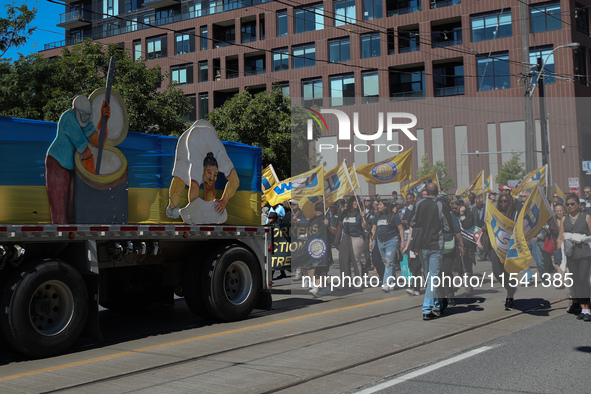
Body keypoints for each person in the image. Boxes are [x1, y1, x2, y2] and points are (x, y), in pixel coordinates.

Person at [46, 95, 111, 224]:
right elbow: (85, 151)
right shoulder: (68, 118)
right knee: (60, 210)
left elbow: (98, 142)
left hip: (72, 166)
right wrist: (93, 180)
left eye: (88, 115)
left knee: (73, 209)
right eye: (84, 115)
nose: (86, 118)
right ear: (75, 110)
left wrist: (104, 122)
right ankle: (61, 239)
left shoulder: (84, 118)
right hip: (57, 162)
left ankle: (71, 237)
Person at [167, 119, 239, 224]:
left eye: (215, 174)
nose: (212, 177)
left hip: (209, 133)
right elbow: (194, 189)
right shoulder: (196, 161)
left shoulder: (222, 157)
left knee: (210, 185)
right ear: (203, 170)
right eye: (209, 173)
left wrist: (224, 201)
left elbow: (235, 181)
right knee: (180, 180)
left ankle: (209, 211)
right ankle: (171, 208)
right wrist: (194, 213)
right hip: (188, 141)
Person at [403, 183, 456, 320]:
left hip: (422, 245)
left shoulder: (418, 204)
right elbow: (447, 226)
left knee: (429, 276)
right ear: (437, 192)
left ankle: (438, 303)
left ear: (426, 191)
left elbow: (412, 222)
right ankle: (427, 309)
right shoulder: (439, 204)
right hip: (435, 245)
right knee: (433, 276)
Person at [478, 192, 521, 311]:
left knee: (508, 272)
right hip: (495, 247)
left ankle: (510, 296)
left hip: (509, 249)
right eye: (501, 201)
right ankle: (510, 287)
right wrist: (485, 228)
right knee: (497, 272)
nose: (503, 204)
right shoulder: (493, 214)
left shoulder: (515, 214)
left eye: (505, 201)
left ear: (510, 202)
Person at [556, 194, 591, 321]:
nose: (570, 206)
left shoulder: (586, 217)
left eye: (572, 204)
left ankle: (587, 309)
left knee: (582, 280)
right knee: (575, 282)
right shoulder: (564, 219)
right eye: (568, 204)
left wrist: (581, 238)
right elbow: (560, 237)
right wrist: (558, 252)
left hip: (585, 254)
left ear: (578, 205)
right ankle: (583, 308)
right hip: (570, 255)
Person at [335, 196, 369, 288]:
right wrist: (337, 239)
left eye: (357, 201)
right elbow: (340, 227)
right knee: (343, 260)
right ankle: (344, 282)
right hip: (346, 237)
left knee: (356, 260)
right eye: (354, 201)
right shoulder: (345, 213)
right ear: (351, 202)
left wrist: (364, 218)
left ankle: (358, 282)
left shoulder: (360, 213)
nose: (355, 203)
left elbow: (365, 228)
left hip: (357, 237)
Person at [370, 200, 405, 292]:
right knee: (387, 262)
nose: (378, 206)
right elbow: (374, 229)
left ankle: (386, 283)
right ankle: (393, 281)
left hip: (392, 241)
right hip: (380, 241)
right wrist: (371, 239)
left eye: (380, 205)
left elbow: (401, 229)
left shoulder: (394, 216)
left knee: (388, 262)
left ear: (385, 206)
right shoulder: (377, 217)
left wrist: (402, 242)